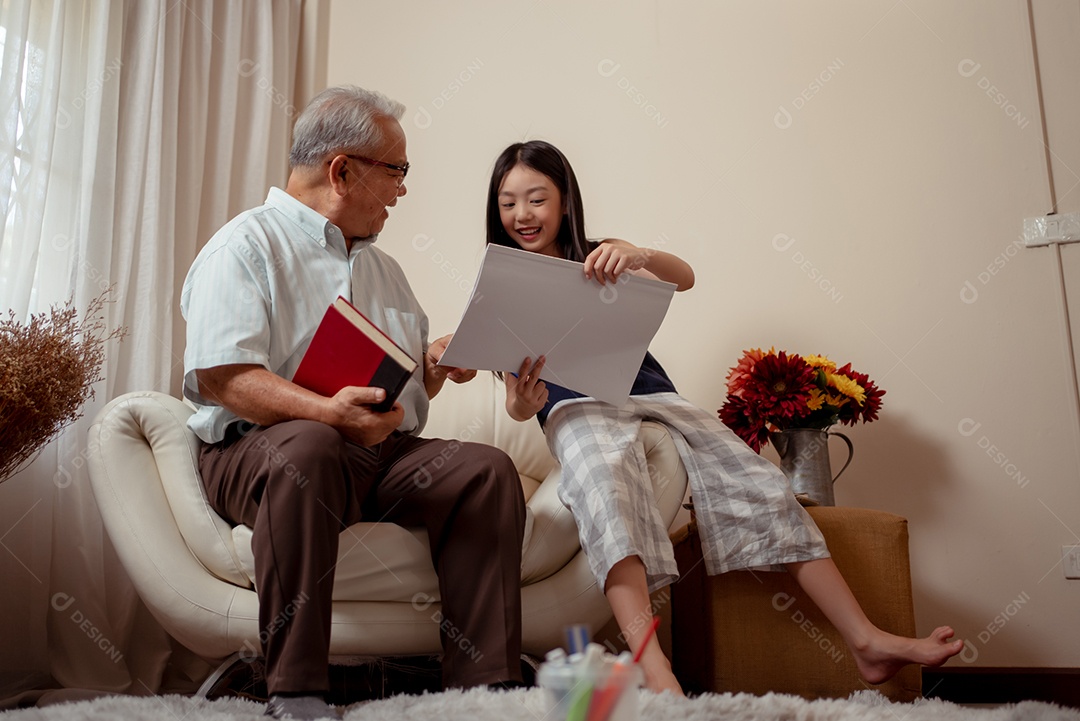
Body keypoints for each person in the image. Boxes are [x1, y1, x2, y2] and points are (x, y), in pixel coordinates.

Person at [484, 139, 963, 695]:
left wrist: (636, 254)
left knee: (760, 480)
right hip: (572, 408)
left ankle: (866, 641)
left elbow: (683, 277)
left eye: (536, 199)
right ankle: (655, 669)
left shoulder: (602, 252)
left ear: (565, 202)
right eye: (508, 202)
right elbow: (517, 408)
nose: (522, 215)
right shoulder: (502, 290)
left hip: (650, 394)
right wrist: (526, 399)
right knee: (605, 485)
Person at [181, 86, 526, 721]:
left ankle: (487, 694)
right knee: (310, 447)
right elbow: (225, 378)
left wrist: (434, 366)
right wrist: (325, 414)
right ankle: (296, 693)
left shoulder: (384, 269)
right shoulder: (244, 248)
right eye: (395, 171)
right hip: (261, 452)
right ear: (342, 171)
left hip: (371, 455)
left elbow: (402, 382)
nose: (401, 190)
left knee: (486, 471)